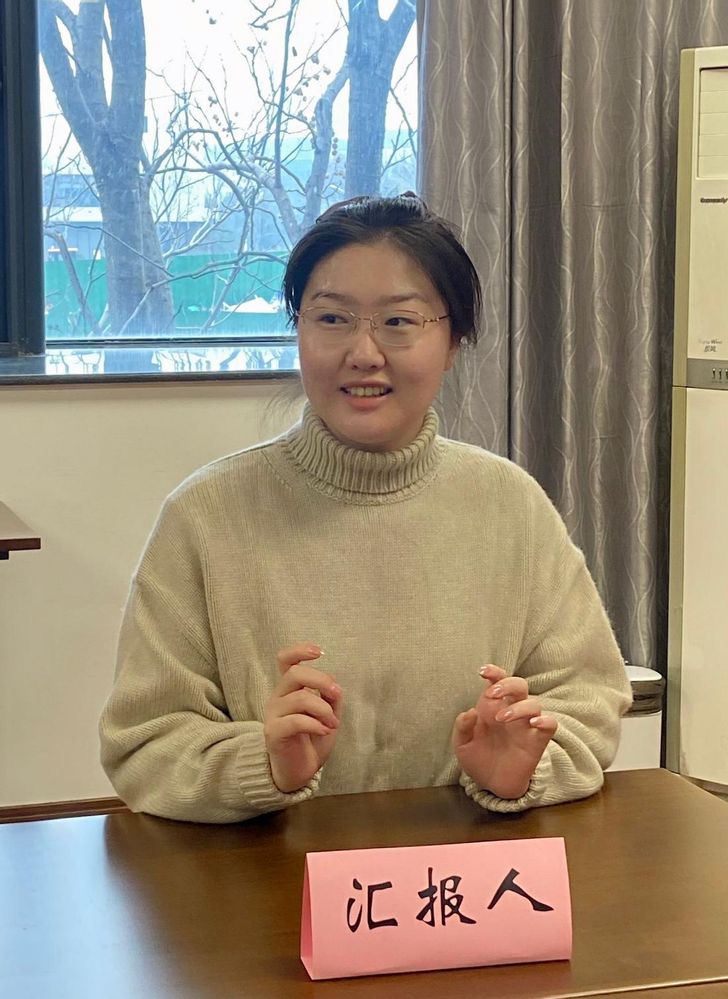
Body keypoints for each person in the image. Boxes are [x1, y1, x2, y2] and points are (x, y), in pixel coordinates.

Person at [99, 193, 632, 823]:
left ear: (454, 341)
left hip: (461, 871)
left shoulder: (509, 505)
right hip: (264, 871)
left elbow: (588, 698)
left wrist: (523, 768)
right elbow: (145, 742)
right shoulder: (206, 515)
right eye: (332, 318)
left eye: (399, 321)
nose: (364, 353)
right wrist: (263, 763)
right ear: (299, 329)